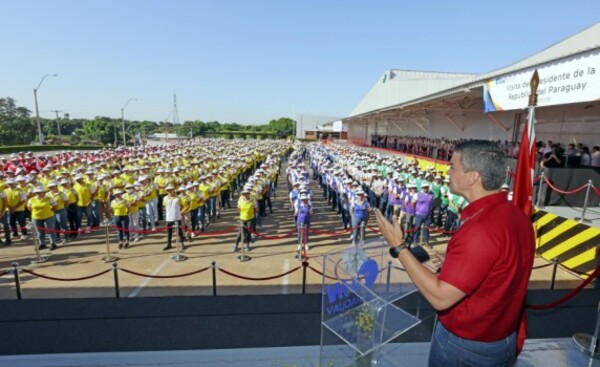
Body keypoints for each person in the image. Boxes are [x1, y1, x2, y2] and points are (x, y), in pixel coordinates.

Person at [375, 140, 535, 366]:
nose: (447, 171)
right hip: (500, 339)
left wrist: (399, 247)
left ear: (472, 177)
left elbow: (441, 298)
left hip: (466, 348)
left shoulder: (480, 229)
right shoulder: (517, 216)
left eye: (452, 166)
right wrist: (453, 268)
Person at [163, 184, 186, 251]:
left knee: (179, 232)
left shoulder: (178, 198)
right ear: (167, 191)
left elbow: (182, 205)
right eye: (168, 190)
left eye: (171, 190)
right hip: (169, 218)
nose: (170, 191)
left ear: (174, 190)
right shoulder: (165, 198)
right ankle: (169, 244)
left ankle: (182, 244)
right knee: (169, 232)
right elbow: (165, 207)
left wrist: (180, 212)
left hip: (177, 217)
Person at [234, 187, 257, 253]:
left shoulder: (252, 199)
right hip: (242, 219)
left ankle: (247, 245)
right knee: (240, 233)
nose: (245, 195)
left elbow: (255, 208)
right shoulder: (240, 199)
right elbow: (238, 208)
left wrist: (253, 215)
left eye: (246, 194)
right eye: (244, 194)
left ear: (248, 194)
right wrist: (241, 214)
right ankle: (235, 245)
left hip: (250, 218)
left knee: (248, 233)